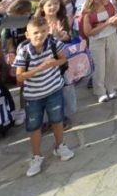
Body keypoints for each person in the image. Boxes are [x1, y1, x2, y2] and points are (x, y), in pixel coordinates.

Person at [13, 16, 75, 177]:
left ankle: (60, 145)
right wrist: (38, 68)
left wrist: (52, 63)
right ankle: (36, 156)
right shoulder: (23, 52)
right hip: (33, 96)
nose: (39, 35)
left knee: (57, 119)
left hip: (53, 89)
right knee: (34, 127)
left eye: (42, 32)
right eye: (35, 33)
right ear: (27, 35)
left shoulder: (53, 43)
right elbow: (19, 77)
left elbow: (63, 59)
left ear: (48, 31)